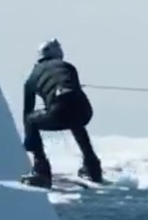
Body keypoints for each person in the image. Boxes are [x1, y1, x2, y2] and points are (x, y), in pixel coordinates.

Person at [20, 38, 103, 189]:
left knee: (31, 120)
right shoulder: (68, 66)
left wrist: (29, 141)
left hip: (59, 111)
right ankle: (93, 168)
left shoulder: (31, 79)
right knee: (75, 120)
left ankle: (42, 171)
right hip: (85, 111)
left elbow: (27, 112)